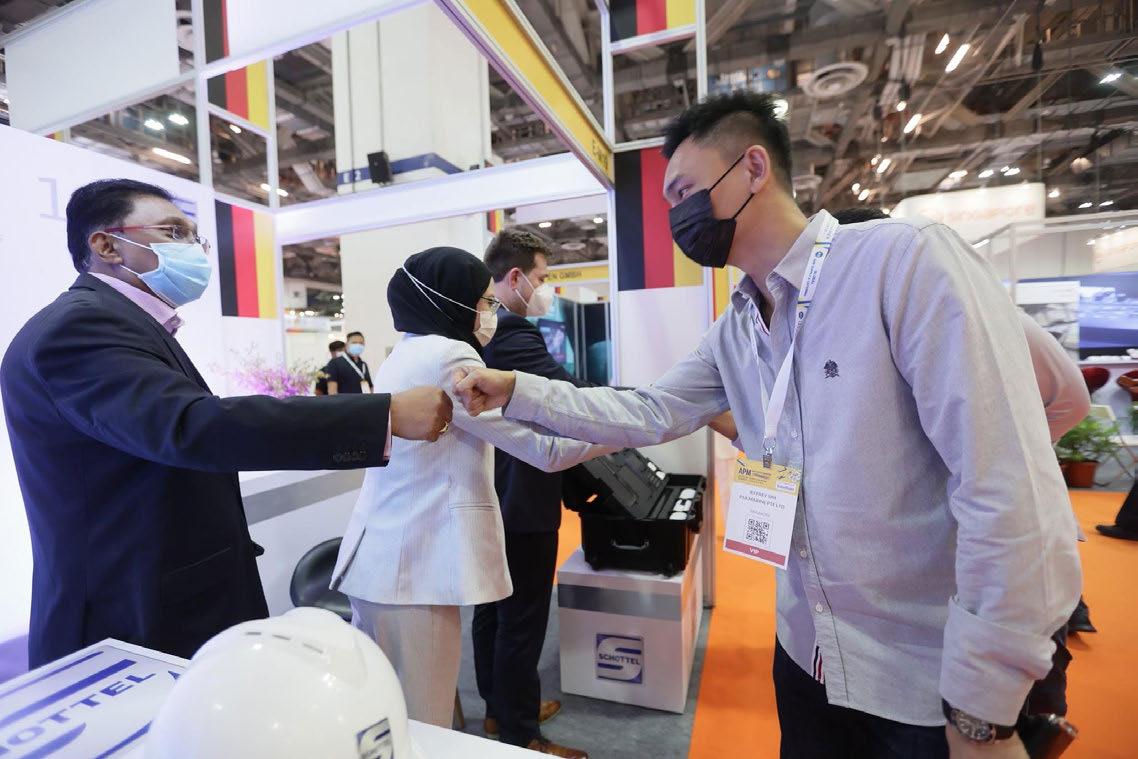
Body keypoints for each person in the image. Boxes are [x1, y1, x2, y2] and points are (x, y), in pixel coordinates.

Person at [455, 93, 1082, 759]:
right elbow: (647, 410)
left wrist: (983, 709)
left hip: (921, 681)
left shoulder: (900, 264)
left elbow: (1007, 488)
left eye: (685, 191)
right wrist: (517, 389)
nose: (677, 217)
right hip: (806, 654)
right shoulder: (736, 329)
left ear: (754, 167)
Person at [1, 179, 452, 668]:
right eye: (173, 232)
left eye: (193, 236)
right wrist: (382, 416)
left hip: (162, 596)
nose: (192, 249)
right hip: (131, 615)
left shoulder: (122, 323)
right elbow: (191, 426)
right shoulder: (79, 326)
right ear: (107, 245)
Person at [329, 247, 615, 751]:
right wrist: (629, 427)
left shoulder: (406, 351)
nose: (490, 313)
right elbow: (545, 449)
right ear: (452, 299)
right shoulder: (450, 357)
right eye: (485, 301)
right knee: (424, 726)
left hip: (383, 562)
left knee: (388, 720)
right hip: (414, 571)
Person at [833, 207, 1091, 716]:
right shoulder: (857, 324)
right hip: (937, 552)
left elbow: (1072, 399)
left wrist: (1006, 450)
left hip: (1004, 538)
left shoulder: (969, 308)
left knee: (1020, 685)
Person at [472, 229, 591, 758]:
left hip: (491, 493)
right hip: (522, 497)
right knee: (521, 618)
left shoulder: (480, 330)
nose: (545, 289)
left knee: (493, 609)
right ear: (516, 276)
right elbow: (568, 397)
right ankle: (521, 735)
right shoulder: (516, 332)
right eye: (542, 278)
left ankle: (500, 708)